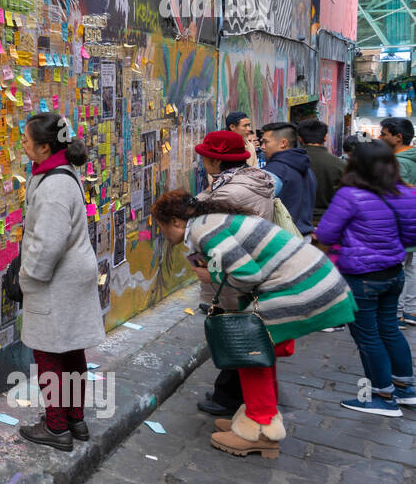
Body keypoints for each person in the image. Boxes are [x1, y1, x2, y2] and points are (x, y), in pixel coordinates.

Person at [152, 191, 356, 457]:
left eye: (161, 226)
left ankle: (260, 429)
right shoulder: (212, 222)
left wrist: (209, 273)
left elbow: (246, 274)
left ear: (177, 221)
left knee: (251, 352)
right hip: (310, 281)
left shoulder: (203, 230)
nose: (162, 234)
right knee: (261, 352)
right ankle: (256, 416)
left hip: (300, 286)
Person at [15, 112, 105, 452]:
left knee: (49, 351)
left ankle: (56, 427)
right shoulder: (62, 173)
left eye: (26, 140)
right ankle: (74, 418)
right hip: (72, 273)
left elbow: (48, 243)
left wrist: (27, 276)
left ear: (43, 147)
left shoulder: (53, 185)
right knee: (70, 348)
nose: (22, 144)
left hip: (57, 279)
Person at [314, 141, 416, 415]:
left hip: (361, 277)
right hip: (393, 273)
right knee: (390, 329)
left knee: (368, 337)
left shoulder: (350, 195)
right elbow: (410, 236)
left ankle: (383, 397)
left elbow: (325, 235)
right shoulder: (407, 193)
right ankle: (406, 389)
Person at [191, 130, 276, 418]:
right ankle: (228, 393)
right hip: (250, 266)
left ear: (215, 161)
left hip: (234, 272)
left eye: (205, 157)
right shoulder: (249, 180)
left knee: (234, 333)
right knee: (238, 329)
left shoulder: (230, 191)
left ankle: (230, 399)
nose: (202, 162)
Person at [378, 118, 416, 326]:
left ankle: (397, 314)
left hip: (399, 226)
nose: (380, 137)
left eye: (384, 134)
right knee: (409, 269)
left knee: (397, 270)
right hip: (411, 225)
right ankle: (409, 311)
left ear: (398, 137)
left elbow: (393, 197)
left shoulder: (399, 163)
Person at [260, 121, 317, 234]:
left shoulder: (274, 171)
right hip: (304, 237)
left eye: (266, 142)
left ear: (283, 143)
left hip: (280, 239)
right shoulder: (307, 169)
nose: (262, 147)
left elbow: (259, 207)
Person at [297, 118, 344, 227]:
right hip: (329, 223)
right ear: (325, 137)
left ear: (300, 139)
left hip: (296, 224)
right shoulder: (340, 165)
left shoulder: (290, 162)